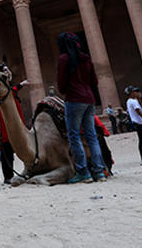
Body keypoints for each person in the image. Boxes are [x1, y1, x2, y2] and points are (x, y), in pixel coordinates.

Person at [56, 33, 106, 183]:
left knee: (74, 136)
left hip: (74, 99)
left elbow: (61, 84)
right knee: (91, 136)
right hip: (89, 99)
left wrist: (68, 89)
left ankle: (83, 172)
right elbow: (94, 81)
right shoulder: (86, 58)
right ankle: (99, 172)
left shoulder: (64, 59)